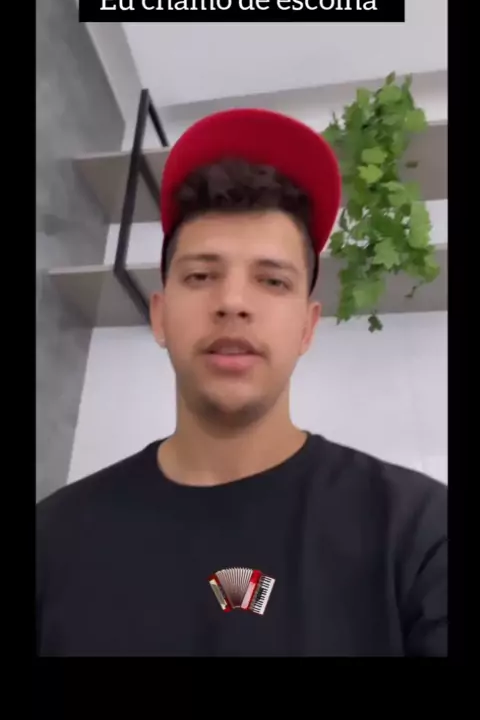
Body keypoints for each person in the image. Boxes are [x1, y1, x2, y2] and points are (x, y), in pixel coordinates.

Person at [36, 108, 447, 657]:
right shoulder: (52, 538)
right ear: (160, 315)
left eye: (272, 281)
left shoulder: (421, 536)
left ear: (307, 327)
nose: (232, 302)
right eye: (201, 275)